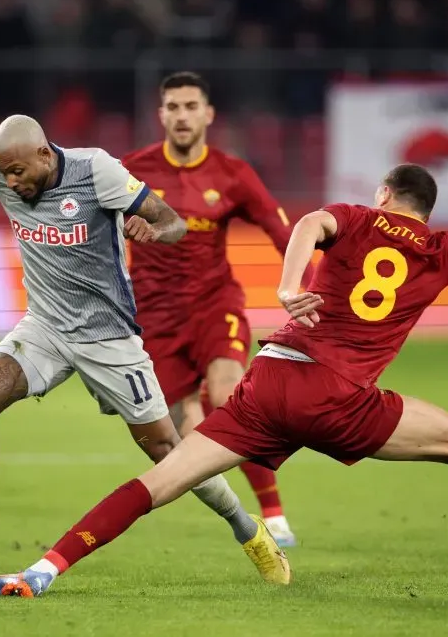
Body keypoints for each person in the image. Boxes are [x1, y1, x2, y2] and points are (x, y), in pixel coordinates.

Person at [0, 102, 448, 597]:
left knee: (158, 481)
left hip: (271, 380)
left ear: (384, 195)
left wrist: (287, 286)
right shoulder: (444, 248)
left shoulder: (360, 216)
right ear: (426, 209)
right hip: (339, 397)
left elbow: (312, 221)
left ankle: (40, 571)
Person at [0, 106, 285, 583]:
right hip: (44, 328)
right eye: (4, 172)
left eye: (20, 172)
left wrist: (153, 231)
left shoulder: (95, 170)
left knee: (168, 450)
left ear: (45, 155)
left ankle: (248, 530)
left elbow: (174, 222)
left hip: (108, 337)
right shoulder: (3, 173)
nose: (11, 182)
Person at [122, 71, 311, 546]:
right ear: (160, 114)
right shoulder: (130, 171)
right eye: (173, 106)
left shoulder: (232, 173)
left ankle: (275, 514)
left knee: (229, 396)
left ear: (208, 114)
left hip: (213, 302)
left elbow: (280, 229)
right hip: (154, 318)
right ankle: (242, 519)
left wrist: (305, 288)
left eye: (190, 106)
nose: (181, 115)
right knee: (186, 431)